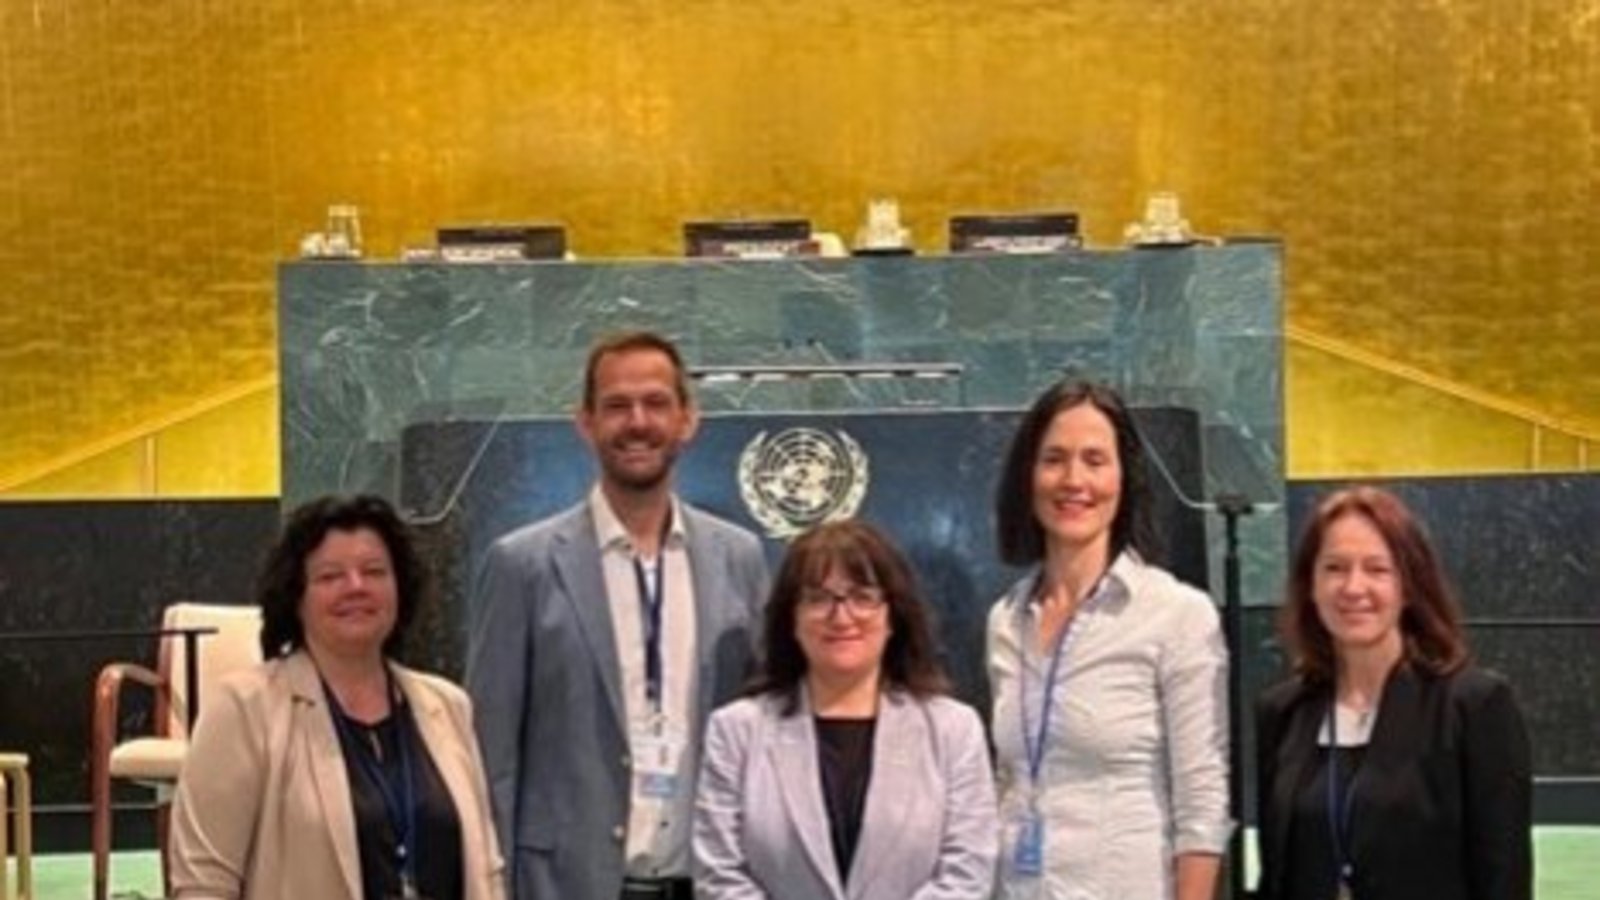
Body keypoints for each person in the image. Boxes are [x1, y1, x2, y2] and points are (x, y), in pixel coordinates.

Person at [466, 330, 770, 900]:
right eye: (616, 406)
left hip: (711, 883)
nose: (637, 422)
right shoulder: (522, 566)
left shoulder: (741, 558)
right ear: (585, 423)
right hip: (564, 885)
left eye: (656, 403)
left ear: (688, 420)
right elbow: (491, 756)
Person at [168, 494, 506, 900]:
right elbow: (203, 885)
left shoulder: (448, 706)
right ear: (296, 597)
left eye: (375, 571)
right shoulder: (244, 709)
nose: (356, 587)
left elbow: (487, 871)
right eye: (330, 577)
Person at [987, 379, 1230, 900]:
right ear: (1028, 477)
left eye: (1095, 460)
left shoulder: (1177, 615)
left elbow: (1202, 805)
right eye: (1054, 459)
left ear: (1124, 478)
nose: (1074, 480)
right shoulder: (1005, 622)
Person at [694, 519, 999, 899]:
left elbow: (967, 873)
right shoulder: (735, 731)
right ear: (792, 618)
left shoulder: (954, 730)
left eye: (862, 596)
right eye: (818, 598)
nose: (841, 616)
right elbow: (718, 877)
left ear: (893, 616)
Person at [1254, 486, 1533, 900]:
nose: (1353, 587)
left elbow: (1502, 876)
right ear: (1309, 586)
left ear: (1409, 587)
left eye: (1377, 569)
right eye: (1334, 568)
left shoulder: (1474, 706)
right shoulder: (1282, 712)